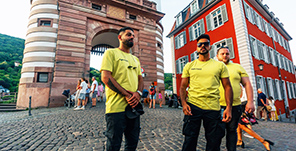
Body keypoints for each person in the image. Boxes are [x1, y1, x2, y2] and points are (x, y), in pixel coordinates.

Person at [180, 34, 233, 151]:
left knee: (214, 142)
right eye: (200, 44)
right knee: (189, 140)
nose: (203, 46)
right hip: (193, 107)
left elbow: (228, 87)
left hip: (213, 108)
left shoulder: (219, 65)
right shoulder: (189, 66)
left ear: (210, 47)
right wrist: (184, 103)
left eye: (206, 44)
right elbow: (183, 87)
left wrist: (228, 107)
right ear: (197, 48)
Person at [101, 26, 144, 151]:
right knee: (113, 145)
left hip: (134, 107)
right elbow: (106, 78)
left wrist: (138, 93)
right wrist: (127, 94)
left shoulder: (136, 59)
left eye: (133, 36)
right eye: (129, 35)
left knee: (132, 143)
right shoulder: (111, 53)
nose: (132, 37)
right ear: (120, 37)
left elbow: (140, 79)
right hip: (116, 108)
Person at [216, 46, 255, 151]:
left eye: (227, 53)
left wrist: (250, 101)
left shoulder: (238, 67)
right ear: (217, 56)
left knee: (232, 131)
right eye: (222, 53)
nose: (225, 55)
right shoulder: (214, 67)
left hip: (235, 105)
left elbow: (247, 84)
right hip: (216, 106)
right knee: (216, 133)